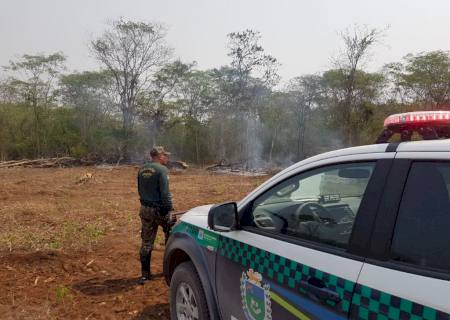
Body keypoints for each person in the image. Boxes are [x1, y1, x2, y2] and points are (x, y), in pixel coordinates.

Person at [137, 146, 173, 284]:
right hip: (160, 210)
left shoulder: (141, 169)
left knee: (146, 242)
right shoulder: (162, 170)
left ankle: (145, 275)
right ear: (159, 156)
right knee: (171, 237)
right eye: (165, 155)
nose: (167, 158)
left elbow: (139, 190)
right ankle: (170, 270)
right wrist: (168, 209)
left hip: (145, 209)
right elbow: (165, 193)